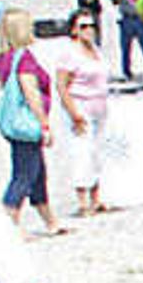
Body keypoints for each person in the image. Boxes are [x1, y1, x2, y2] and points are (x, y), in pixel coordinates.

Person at [0, 11, 62, 239]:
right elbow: (31, 92)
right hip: (27, 122)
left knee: (37, 171)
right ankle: (9, 220)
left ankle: (50, 219)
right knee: (25, 173)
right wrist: (44, 124)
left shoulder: (5, 57)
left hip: (14, 123)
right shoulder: (24, 59)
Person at [42, 13, 112, 220]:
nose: (89, 29)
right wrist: (73, 113)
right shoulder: (69, 54)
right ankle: (82, 200)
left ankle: (96, 197)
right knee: (81, 151)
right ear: (74, 29)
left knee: (97, 151)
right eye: (83, 26)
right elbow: (62, 85)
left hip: (99, 105)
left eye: (91, 25)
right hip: (80, 105)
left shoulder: (96, 52)